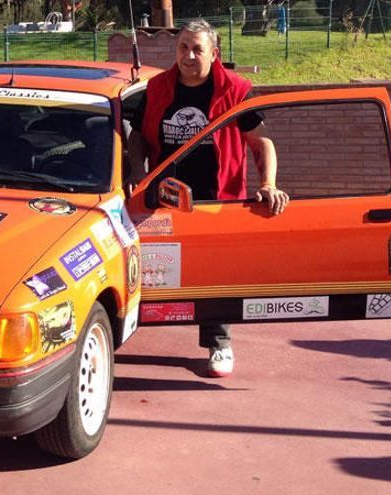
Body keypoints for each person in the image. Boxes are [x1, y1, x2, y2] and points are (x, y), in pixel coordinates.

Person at [127, 18, 290, 378]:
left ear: (214, 54)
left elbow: (261, 142)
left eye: (197, 48)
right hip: (165, 199)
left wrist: (269, 183)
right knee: (157, 269)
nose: (188, 55)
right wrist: (139, 178)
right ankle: (131, 333)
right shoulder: (157, 88)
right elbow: (137, 136)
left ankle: (219, 343)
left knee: (215, 276)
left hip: (218, 200)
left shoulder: (235, 89)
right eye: (183, 47)